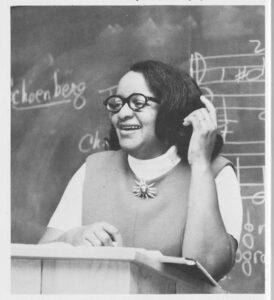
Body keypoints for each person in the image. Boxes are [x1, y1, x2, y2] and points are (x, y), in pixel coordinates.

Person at [39, 60, 242, 280]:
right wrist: (71, 238)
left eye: (138, 102)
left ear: (170, 109)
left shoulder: (217, 172)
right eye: (116, 104)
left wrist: (200, 162)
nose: (122, 113)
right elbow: (36, 261)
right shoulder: (93, 168)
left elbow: (207, 267)